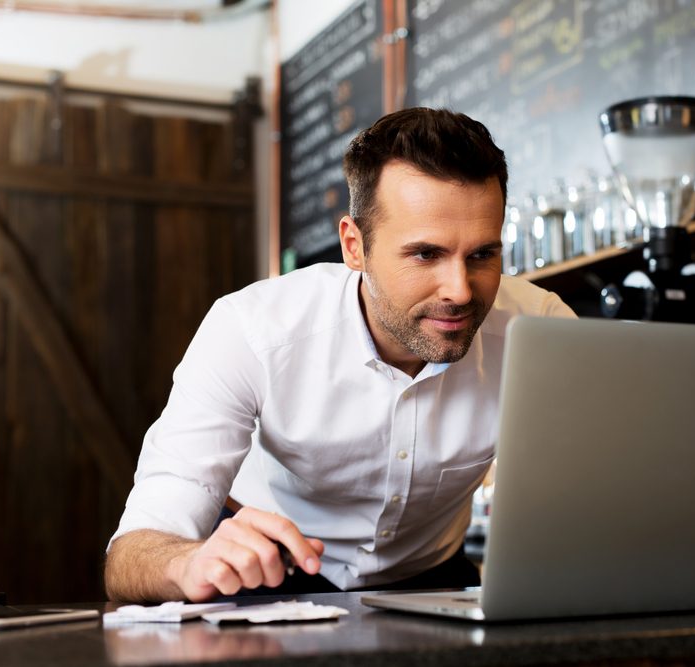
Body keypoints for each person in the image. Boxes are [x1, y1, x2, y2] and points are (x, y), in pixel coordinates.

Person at [104, 107, 575, 603]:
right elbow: (132, 554)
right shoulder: (251, 330)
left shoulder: (539, 332)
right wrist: (185, 561)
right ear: (355, 245)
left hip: (431, 574)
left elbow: (596, 498)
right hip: (265, 567)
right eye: (425, 254)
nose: (459, 291)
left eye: (482, 255)